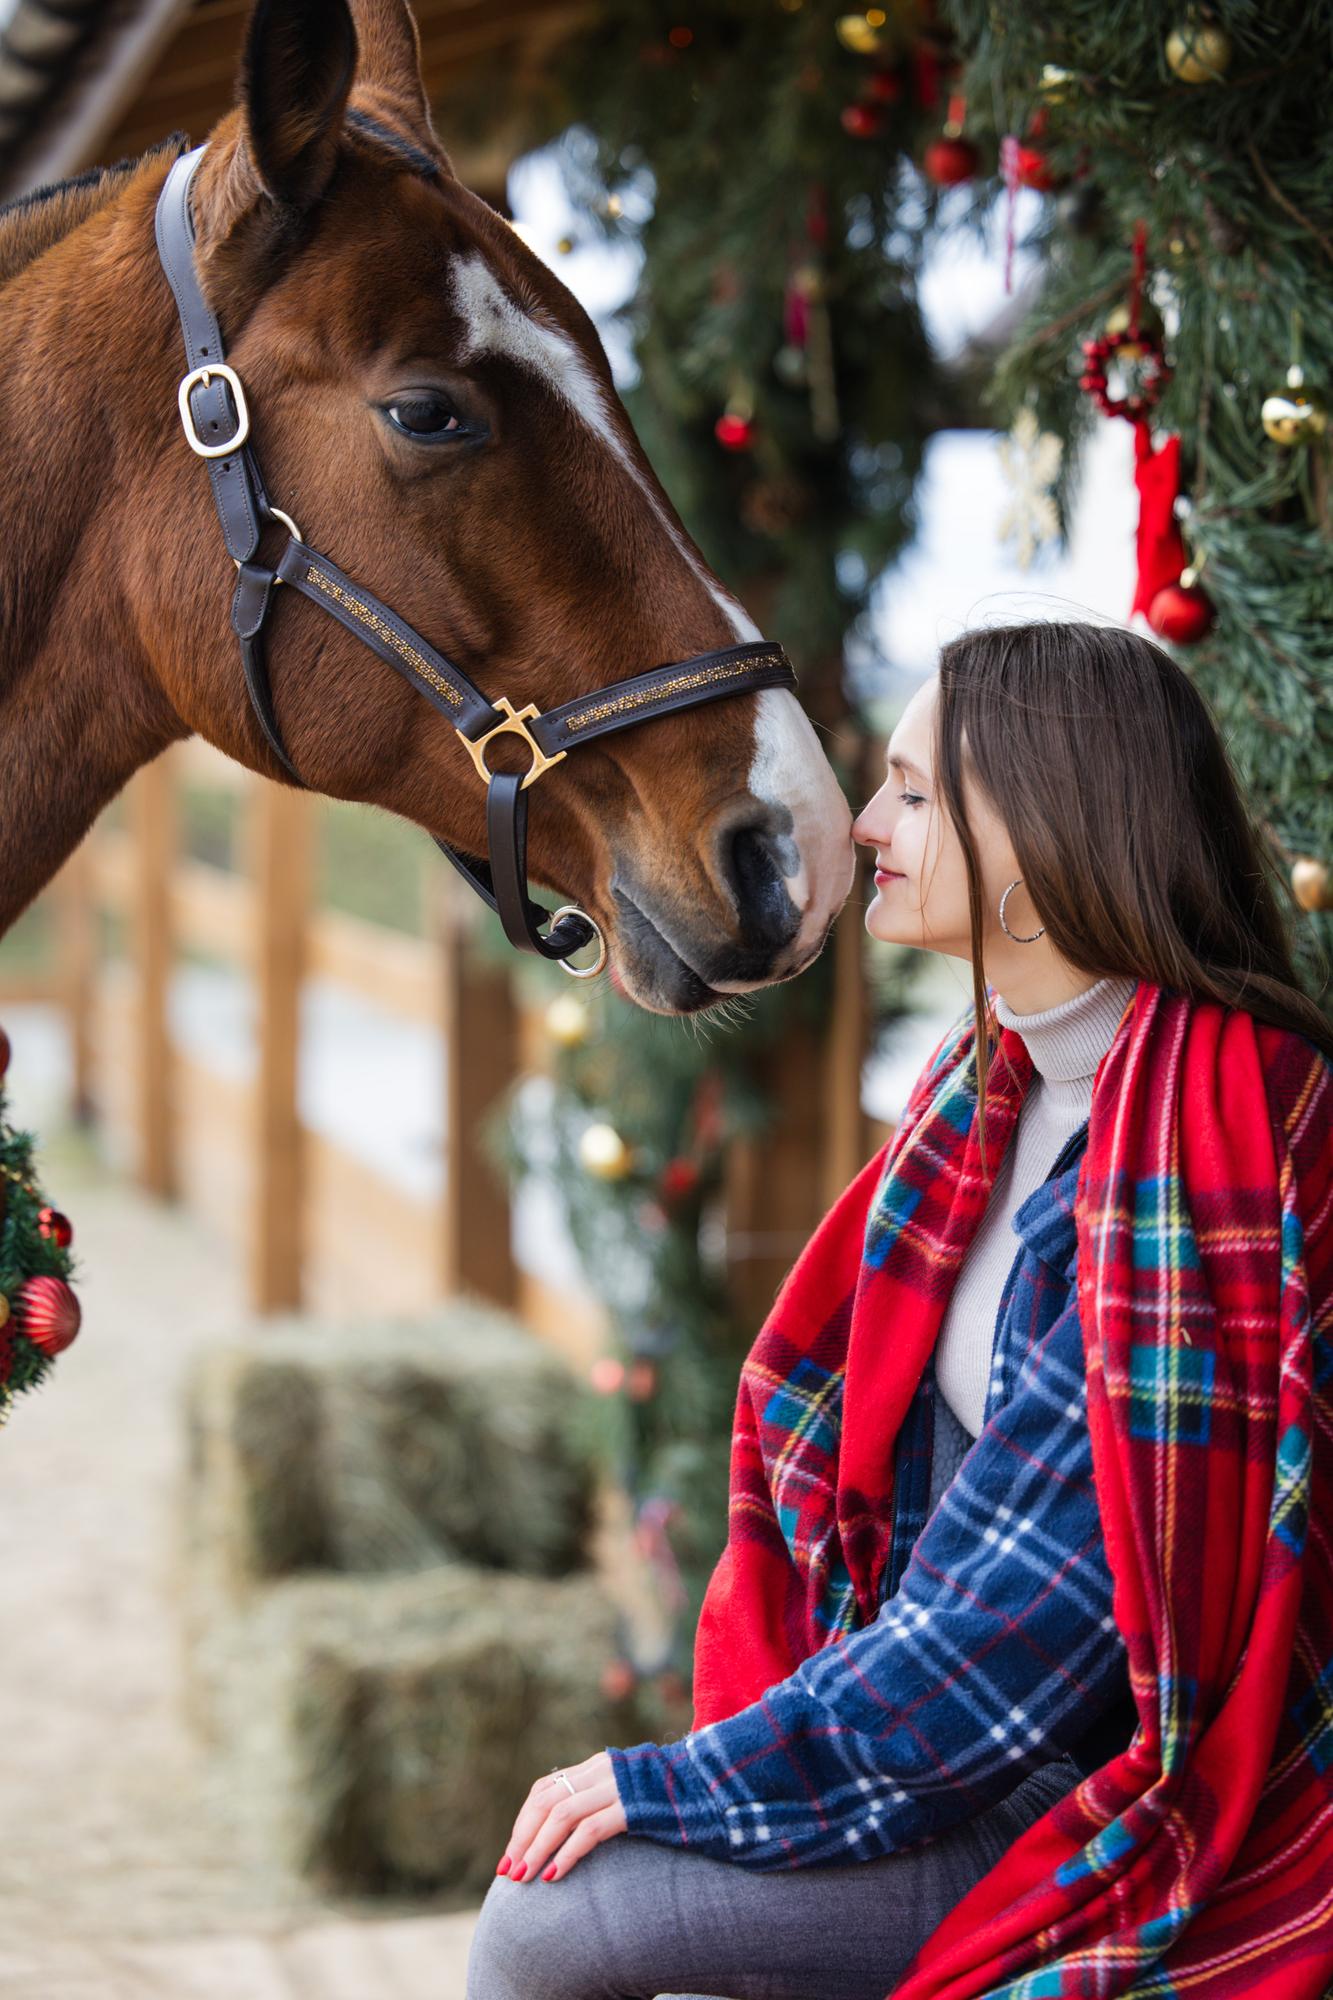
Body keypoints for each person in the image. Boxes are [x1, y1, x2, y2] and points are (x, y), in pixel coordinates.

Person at [466, 621, 1333, 2000]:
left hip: (1102, 1788)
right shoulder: (979, 1086)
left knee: (552, 1925)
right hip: (952, 1728)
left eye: (915, 795)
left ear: (1041, 840)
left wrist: (692, 1779)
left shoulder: (1220, 1125)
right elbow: (845, 1448)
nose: (868, 823)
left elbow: (1035, 1623)